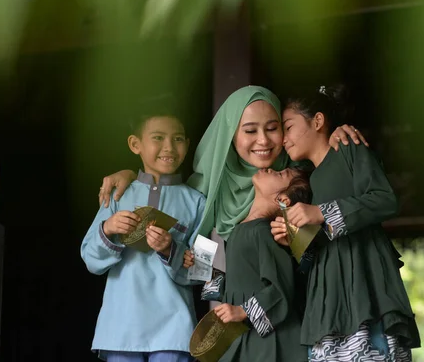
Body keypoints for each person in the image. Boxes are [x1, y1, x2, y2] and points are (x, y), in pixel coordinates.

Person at [98, 85, 368, 243]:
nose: (263, 140)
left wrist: (332, 135)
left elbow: (313, 251)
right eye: (250, 131)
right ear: (230, 135)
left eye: (273, 128)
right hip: (227, 320)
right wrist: (131, 174)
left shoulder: (300, 178)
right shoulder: (202, 191)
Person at [271, 84, 420, 361]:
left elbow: (385, 199)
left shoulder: (348, 147)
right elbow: (317, 246)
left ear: (318, 121)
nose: (283, 139)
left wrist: (322, 213)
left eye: (287, 127)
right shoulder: (310, 181)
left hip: (364, 282)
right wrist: (293, 239)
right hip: (328, 298)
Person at [81, 107, 205, 362]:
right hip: (121, 327)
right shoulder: (117, 195)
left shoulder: (198, 202)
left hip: (175, 329)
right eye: (158, 137)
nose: (169, 147)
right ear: (135, 144)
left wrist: (170, 249)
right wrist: (108, 229)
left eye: (178, 138)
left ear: (188, 144)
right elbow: (89, 259)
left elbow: (203, 272)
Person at [188, 167, 313, 361]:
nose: (271, 169)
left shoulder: (263, 233)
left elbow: (282, 286)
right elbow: (238, 282)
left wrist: (242, 310)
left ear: (283, 199)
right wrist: (199, 267)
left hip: (268, 342)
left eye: (280, 174)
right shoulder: (241, 229)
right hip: (246, 335)